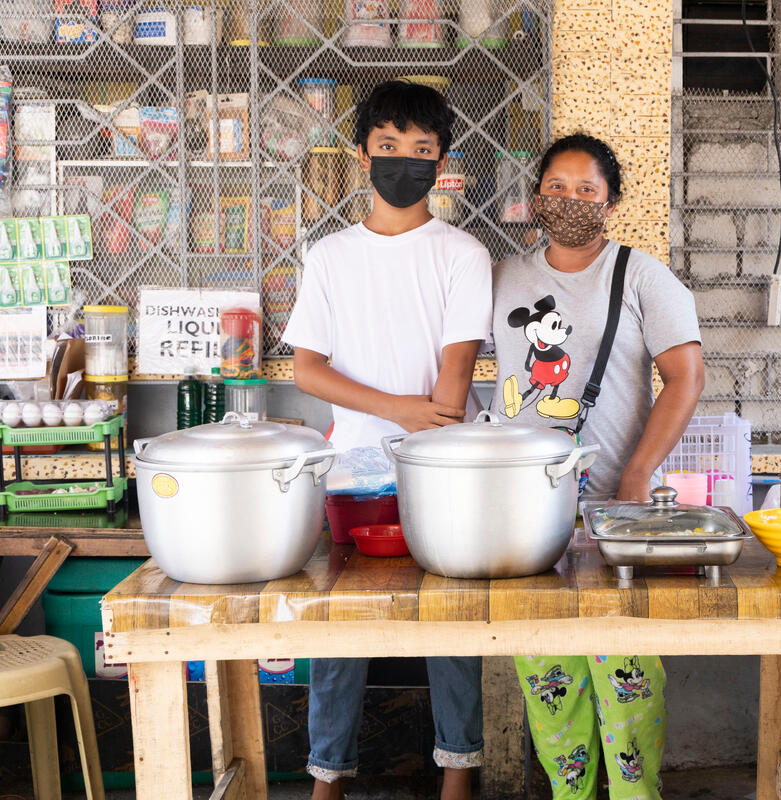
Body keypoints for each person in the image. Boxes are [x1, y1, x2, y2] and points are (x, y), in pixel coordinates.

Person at [283, 80, 489, 800]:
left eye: (423, 150)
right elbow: (308, 368)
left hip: (441, 468)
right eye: (390, 147)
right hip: (353, 472)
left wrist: (425, 435)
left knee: (451, 622)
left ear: (443, 161)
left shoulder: (463, 254)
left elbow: (457, 369)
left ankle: (459, 774)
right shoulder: (331, 256)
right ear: (362, 153)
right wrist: (398, 410)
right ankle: (327, 778)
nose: (406, 160)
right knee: (343, 630)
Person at [491, 133, 705, 799]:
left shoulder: (642, 276)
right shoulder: (505, 277)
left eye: (588, 190)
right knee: (550, 680)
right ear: (535, 196)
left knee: (626, 675)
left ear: (610, 202)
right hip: (526, 519)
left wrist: (639, 474)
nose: (572, 201)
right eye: (558, 187)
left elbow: (686, 377)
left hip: (616, 519)